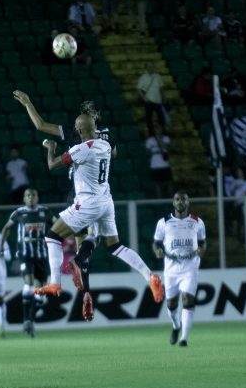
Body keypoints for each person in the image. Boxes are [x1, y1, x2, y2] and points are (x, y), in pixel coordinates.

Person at [33, 111, 165, 320]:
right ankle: (149, 276)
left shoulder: (80, 149)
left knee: (52, 236)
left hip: (87, 203)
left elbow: (52, 165)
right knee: (115, 246)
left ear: (78, 130)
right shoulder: (105, 145)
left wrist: (51, 149)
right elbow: (113, 151)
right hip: (106, 201)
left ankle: (55, 281)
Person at [13, 90, 114, 304]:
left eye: (93, 111)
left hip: (90, 192)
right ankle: (86, 293)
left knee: (77, 241)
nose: (90, 114)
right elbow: (41, 125)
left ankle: (73, 287)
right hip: (84, 193)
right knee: (84, 246)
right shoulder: (80, 132)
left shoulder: (99, 133)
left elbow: (111, 154)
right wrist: (28, 103)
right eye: (87, 111)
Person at [153, 191, 206, 347]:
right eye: (177, 199)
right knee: (171, 304)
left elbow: (202, 242)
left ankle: (184, 339)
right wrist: (157, 250)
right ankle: (176, 326)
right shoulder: (164, 222)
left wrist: (202, 249)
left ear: (188, 202)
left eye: (183, 199)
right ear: (173, 202)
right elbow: (156, 242)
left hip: (190, 266)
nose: (180, 202)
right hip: (171, 268)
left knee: (187, 299)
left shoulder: (197, 221)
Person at [0, 188, 54, 337]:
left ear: (37, 197)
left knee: (41, 293)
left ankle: (29, 320)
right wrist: (1, 246)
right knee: (30, 283)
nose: (31, 198)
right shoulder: (18, 213)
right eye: (28, 196)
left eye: (33, 195)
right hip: (25, 254)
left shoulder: (45, 212)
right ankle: (26, 319)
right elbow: (6, 228)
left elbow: (58, 226)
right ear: (24, 198)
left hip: (42, 256)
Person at [137, 62, 168, 136]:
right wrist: (144, 98)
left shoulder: (158, 77)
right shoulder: (143, 77)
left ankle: (162, 132)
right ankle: (151, 133)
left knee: (161, 118)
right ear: (146, 67)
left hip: (158, 101)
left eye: (151, 66)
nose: (150, 68)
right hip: (149, 101)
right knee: (149, 119)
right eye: (149, 66)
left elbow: (161, 88)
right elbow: (139, 89)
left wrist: (163, 97)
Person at [146, 126, 172, 199]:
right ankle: (159, 200)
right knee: (157, 184)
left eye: (159, 129)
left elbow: (168, 149)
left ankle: (170, 200)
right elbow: (148, 153)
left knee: (168, 183)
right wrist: (156, 152)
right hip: (155, 165)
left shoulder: (166, 138)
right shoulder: (150, 140)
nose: (158, 131)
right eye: (156, 129)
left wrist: (159, 140)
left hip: (165, 165)